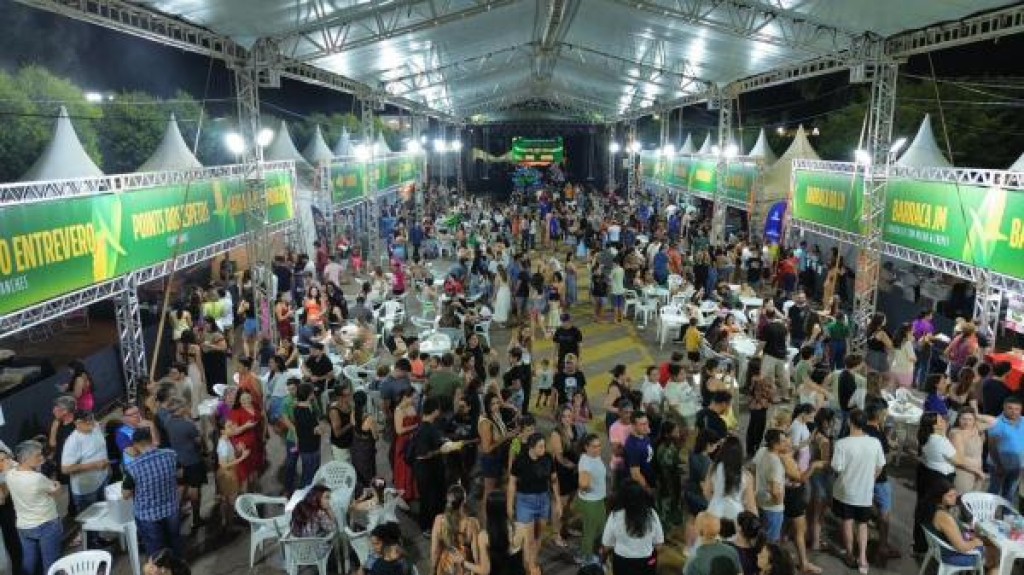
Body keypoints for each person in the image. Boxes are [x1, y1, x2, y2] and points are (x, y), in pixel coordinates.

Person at [830, 409, 884, 573]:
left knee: (847, 522)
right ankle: (863, 558)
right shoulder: (875, 442)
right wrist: (870, 480)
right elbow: (880, 466)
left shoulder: (842, 444)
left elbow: (837, 468)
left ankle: (849, 554)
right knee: (863, 525)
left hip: (845, 491)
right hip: (865, 492)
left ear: (849, 422)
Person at [123, 428, 183, 559]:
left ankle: (161, 568)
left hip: (148, 515)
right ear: (151, 440)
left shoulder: (133, 467)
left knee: (156, 549)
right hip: (171, 507)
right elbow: (180, 474)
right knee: (175, 540)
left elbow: (125, 494)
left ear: (135, 445)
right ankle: (177, 565)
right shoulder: (170, 454)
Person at [921, 478, 1000, 575]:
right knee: (996, 556)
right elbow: (961, 547)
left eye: (955, 494)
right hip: (953, 555)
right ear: (939, 497)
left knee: (991, 542)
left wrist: (971, 534)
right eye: (950, 496)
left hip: (945, 547)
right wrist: (976, 542)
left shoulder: (931, 509)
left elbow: (954, 535)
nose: (954, 497)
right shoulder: (944, 517)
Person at [7, 441, 62, 575]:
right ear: (26, 459)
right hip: (46, 523)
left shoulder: (10, 474)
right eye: (38, 455)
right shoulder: (37, 478)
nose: (42, 458)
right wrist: (57, 484)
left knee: (29, 562)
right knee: (51, 563)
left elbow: (14, 464)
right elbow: (55, 491)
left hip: (24, 526)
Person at [508, 432, 559, 572]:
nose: (544, 449)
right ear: (531, 447)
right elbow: (512, 483)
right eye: (540, 446)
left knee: (538, 536)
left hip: (543, 501)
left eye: (544, 446)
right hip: (525, 502)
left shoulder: (548, 458)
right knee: (529, 539)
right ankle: (530, 568)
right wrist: (509, 504)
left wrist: (558, 501)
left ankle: (532, 562)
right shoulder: (520, 461)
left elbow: (554, 480)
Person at [602, 480, 664, 575]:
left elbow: (607, 544)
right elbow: (659, 544)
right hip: (647, 561)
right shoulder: (652, 514)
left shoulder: (615, 515)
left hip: (622, 562)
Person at [162, 399, 206, 527]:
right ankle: (196, 519)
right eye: (185, 406)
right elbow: (198, 441)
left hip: (177, 461)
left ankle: (174, 518)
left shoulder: (167, 422)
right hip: (192, 460)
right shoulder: (188, 425)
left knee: (181, 489)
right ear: (180, 409)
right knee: (194, 489)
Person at [704, 435, 756, 536]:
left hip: (714, 511)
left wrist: (715, 500)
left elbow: (706, 492)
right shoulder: (746, 475)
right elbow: (751, 505)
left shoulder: (713, 468)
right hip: (735, 515)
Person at [413, 398, 449, 537]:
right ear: (434, 411)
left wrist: (443, 441)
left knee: (434, 498)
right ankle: (427, 527)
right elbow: (423, 454)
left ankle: (435, 524)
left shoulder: (429, 426)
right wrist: (441, 450)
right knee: (428, 500)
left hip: (432, 469)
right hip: (427, 471)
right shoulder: (424, 429)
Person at [431, 484, 481, 575]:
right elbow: (476, 554)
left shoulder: (439, 520)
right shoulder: (472, 523)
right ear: (463, 502)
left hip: (446, 567)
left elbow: (435, 550)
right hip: (464, 566)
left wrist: (433, 569)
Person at [576, 433, 608, 564]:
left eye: (599, 446)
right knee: (590, 531)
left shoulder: (595, 456)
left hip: (598, 500)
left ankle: (593, 552)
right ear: (586, 447)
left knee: (601, 528)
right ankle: (585, 558)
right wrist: (587, 488)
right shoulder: (586, 462)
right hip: (590, 502)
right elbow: (583, 484)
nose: (598, 449)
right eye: (594, 447)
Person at [986, 395, 1024, 500]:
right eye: (1010, 408)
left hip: (1017, 465)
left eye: (1017, 409)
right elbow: (992, 447)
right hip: (998, 465)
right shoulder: (996, 422)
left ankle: (1006, 511)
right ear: (1004, 407)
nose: (1013, 412)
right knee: (994, 492)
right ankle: (989, 510)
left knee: (1010, 493)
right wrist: (999, 465)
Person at [392, 388, 419, 502]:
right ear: (405, 397)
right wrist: (414, 427)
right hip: (403, 442)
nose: (415, 400)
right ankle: (405, 493)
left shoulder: (412, 407)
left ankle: (413, 491)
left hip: (413, 440)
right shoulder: (399, 410)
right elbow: (399, 430)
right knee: (404, 467)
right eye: (413, 397)